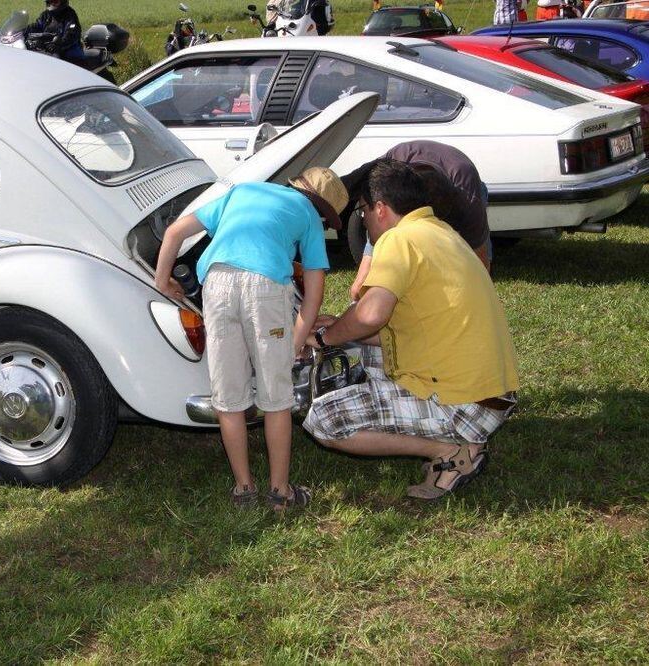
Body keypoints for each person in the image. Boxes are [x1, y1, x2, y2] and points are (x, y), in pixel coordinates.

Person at [302, 160, 520, 500]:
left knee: (325, 420)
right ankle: (457, 443)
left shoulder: (398, 239)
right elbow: (398, 325)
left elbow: (372, 313)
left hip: (464, 407)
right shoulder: (442, 233)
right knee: (358, 347)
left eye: (362, 212)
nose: (365, 222)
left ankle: (448, 452)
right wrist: (345, 327)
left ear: (380, 208)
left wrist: (324, 337)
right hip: (491, 396)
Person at [154, 169, 349, 510]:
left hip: (217, 284)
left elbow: (173, 233)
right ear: (321, 208)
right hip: (266, 289)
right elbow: (315, 295)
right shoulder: (308, 216)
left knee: (228, 397)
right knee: (276, 397)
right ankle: (280, 493)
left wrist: (162, 280)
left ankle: (244, 490)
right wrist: (296, 341)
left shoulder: (241, 192)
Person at [342, 140, 491, 302]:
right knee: (360, 285)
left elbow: (481, 263)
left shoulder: (467, 197)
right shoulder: (391, 167)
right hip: (397, 183)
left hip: (459, 182)